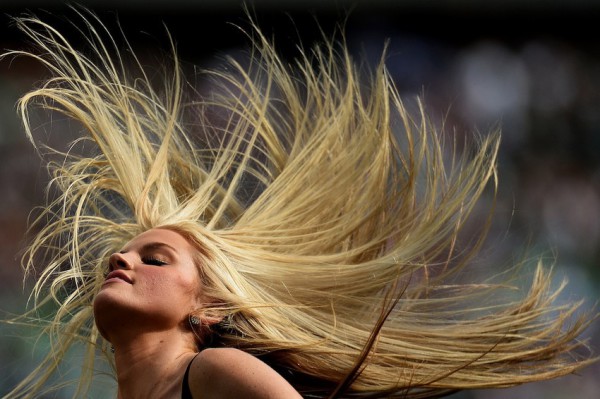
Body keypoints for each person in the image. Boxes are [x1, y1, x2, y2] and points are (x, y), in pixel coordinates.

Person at [2, 8, 596, 399]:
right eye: (125, 254)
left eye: (154, 259)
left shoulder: (211, 372)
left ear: (205, 310)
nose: (121, 261)